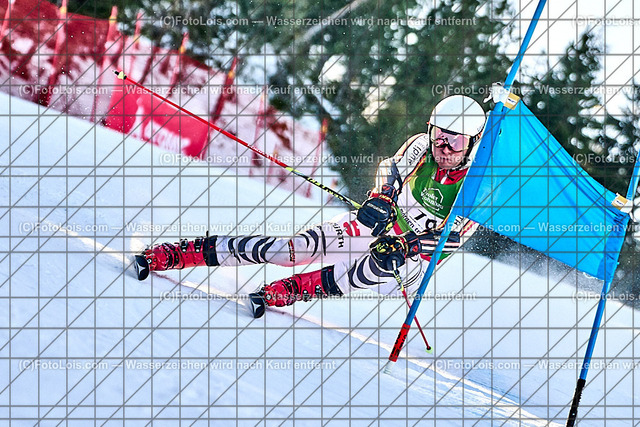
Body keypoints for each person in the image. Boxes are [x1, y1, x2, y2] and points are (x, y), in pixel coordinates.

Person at [134, 95, 486, 318]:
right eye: (439, 134)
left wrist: (407, 245)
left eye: (455, 141)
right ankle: (179, 254)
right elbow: (391, 170)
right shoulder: (421, 147)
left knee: (368, 270)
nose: (444, 147)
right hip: (380, 226)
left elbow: (452, 239)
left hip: (411, 261)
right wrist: (383, 197)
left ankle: (290, 290)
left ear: (473, 144)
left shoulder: (478, 186)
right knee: (290, 250)